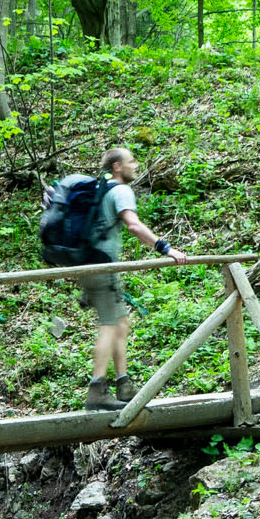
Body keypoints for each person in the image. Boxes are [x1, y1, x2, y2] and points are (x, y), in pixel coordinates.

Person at [80, 146, 188, 411]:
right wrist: (166, 248)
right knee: (109, 324)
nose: (135, 165)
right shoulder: (120, 190)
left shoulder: (101, 190)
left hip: (94, 264)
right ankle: (97, 389)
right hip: (100, 266)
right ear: (117, 166)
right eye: (131, 161)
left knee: (120, 322)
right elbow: (134, 225)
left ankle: (123, 384)